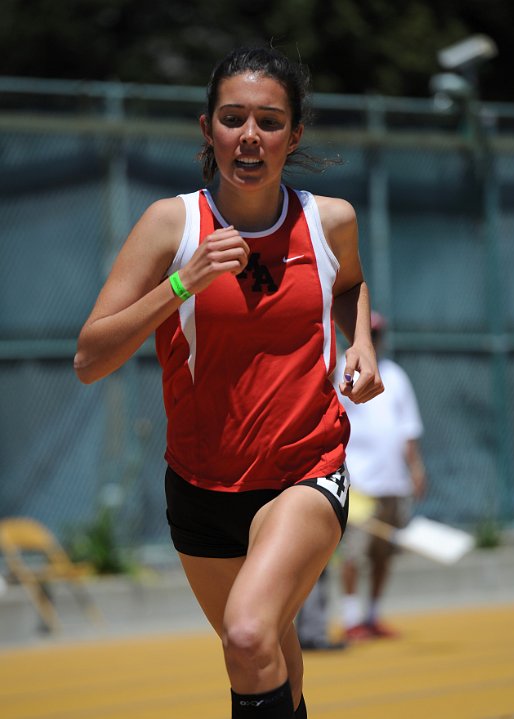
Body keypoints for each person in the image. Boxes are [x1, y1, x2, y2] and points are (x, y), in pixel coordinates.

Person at [74, 46, 383, 719]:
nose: (250, 136)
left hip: (306, 468)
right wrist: (186, 279)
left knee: (247, 632)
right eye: (233, 118)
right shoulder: (172, 226)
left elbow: (350, 283)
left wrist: (359, 343)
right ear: (208, 128)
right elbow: (90, 358)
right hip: (200, 484)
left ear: (294, 135)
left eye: (269, 121)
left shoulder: (329, 221)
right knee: (266, 656)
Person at [338, 310, 426, 641]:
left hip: (393, 483)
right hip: (360, 482)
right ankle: (351, 618)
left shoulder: (396, 376)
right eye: (368, 334)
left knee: (383, 556)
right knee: (355, 553)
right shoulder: (342, 375)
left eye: (376, 335)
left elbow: (408, 429)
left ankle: (372, 615)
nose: (373, 340)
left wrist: (415, 469)